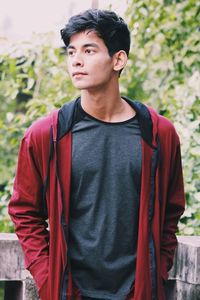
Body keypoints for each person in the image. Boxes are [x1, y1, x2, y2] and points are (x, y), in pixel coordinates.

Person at [8, 9, 185, 300]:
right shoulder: (46, 135)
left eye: (89, 50)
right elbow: (25, 212)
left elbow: (171, 210)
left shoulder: (158, 135)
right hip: (69, 292)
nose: (76, 60)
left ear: (118, 59)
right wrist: (47, 276)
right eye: (71, 52)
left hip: (138, 292)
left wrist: (157, 271)